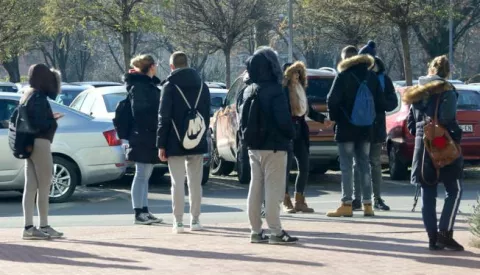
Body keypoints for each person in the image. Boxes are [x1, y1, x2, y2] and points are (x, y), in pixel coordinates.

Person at [403, 55, 464, 251]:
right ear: (447, 72)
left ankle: (432, 238)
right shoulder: (447, 92)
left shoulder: (417, 93)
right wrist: (457, 135)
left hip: (422, 150)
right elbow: (448, 119)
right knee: (454, 190)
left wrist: (423, 132)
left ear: (430, 70)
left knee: (427, 193)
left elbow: (411, 126)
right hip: (443, 145)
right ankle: (444, 233)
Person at [242, 47, 298, 244]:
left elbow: (243, 122)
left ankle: (255, 230)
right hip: (275, 146)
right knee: (273, 190)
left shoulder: (248, 89)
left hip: (253, 146)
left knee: (255, 188)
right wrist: (292, 134)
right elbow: (283, 121)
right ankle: (276, 231)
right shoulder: (275, 90)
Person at [326, 46, 385, 218]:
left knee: (346, 166)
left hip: (346, 127)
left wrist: (336, 117)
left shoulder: (343, 75)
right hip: (367, 128)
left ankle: (346, 204)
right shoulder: (372, 77)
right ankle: (368, 204)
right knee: (364, 164)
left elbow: (332, 99)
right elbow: (381, 102)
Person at [157, 51, 210, 234]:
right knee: (195, 183)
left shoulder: (169, 86)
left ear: (172, 66)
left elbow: (163, 117)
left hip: (174, 140)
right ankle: (195, 220)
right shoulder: (203, 85)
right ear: (188, 64)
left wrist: (161, 144)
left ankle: (178, 222)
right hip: (196, 138)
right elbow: (206, 115)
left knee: (177, 183)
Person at [281, 61, 333, 213]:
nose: (296, 75)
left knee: (304, 166)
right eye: (293, 72)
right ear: (288, 74)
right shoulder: (283, 90)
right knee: (285, 167)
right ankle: (285, 200)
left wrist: (324, 120)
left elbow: (308, 111)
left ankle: (299, 199)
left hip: (301, 130)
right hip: (288, 130)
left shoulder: (300, 90)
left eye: (299, 72)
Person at [21, 64, 63, 240]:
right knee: (44, 186)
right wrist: (51, 121)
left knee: (30, 187)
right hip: (40, 143)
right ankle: (44, 225)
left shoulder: (27, 94)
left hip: (28, 144)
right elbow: (41, 124)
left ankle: (29, 227)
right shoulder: (38, 96)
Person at [352, 55, 398, 211]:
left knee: (375, 163)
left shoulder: (384, 80)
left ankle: (376, 197)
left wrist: (381, 104)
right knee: (358, 163)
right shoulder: (357, 77)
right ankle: (357, 198)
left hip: (376, 126)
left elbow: (392, 101)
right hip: (361, 126)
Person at [124, 54, 163, 225]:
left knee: (146, 174)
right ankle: (138, 212)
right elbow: (139, 112)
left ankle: (145, 210)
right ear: (151, 67)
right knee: (141, 174)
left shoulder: (147, 85)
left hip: (148, 134)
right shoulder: (139, 86)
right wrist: (154, 124)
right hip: (142, 135)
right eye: (155, 65)